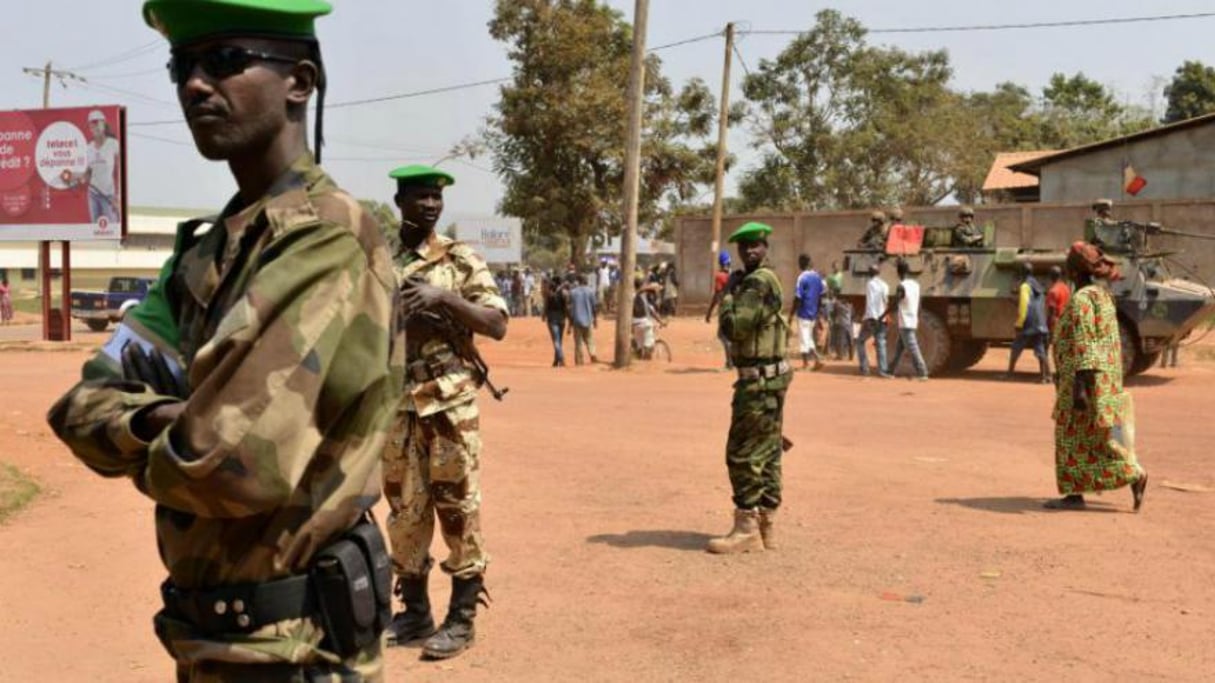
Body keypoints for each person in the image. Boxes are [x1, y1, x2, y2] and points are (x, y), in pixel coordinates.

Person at [47, 2, 402, 679]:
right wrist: (162, 416)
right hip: (212, 643)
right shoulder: (208, 252)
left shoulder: (325, 237)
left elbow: (228, 467)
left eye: (227, 61)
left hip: (297, 650)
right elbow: (79, 405)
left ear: (299, 81)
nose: (194, 85)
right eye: (183, 65)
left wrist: (161, 428)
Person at [383, 164, 509, 660]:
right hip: (396, 400)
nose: (431, 205)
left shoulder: (459, 259)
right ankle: (414, 612)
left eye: (436, 198)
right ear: (400, 203)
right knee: (405, 510)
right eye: (420, 197)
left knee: (458, 506)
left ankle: (462, 619)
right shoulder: (377, 262)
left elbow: (496, 323)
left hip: (449, 401)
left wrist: (443, 297)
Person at [707, 221, 791, 554]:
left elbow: (735, 327)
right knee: (769, 451)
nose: (750, 251)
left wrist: (728, 295)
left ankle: (746, 528)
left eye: (756, 245)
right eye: (745, 247)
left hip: (759, 382)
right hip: (770, 378)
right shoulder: (762, 280)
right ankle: (766, 525)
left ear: (765, 247)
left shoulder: (757, 283)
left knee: (741, 453)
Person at [1045, 241, 1148, 511]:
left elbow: (1085, 343)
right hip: (1103, 379)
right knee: (1098, 438)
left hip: (1083, 380)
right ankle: (1126, 475)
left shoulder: (1081, 300)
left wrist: (1080, 388)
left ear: (1074, 271)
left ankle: (1125, 475)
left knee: (1070, 438)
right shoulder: (1102, 296)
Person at [884, 259, 929, 380]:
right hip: (912, 319)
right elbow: (919, 304)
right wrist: (917, 317)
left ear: (899, 272)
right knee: (900, 347)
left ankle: (922, 372)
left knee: (912, 347)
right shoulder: (916, 285)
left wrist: (883, 314)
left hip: (905, 320)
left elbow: (896, 302)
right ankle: (890, 371)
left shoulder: (901, 286)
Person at [1006, 262, 1050, 383]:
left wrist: (1019, 324)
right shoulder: (1038, 286)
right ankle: (1046, 377)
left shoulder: (1025, 286)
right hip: (1041, 322)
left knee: (1016, 347)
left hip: (1029, 323)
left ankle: (1009, 374)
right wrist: (1015, 302)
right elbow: (1035, 304)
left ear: (1022, 273)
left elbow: (1024, 306)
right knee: (1041, 350)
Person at [79, 109, 121, 225]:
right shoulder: (89, 148)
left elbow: (120, 171)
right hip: (93, 194)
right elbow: (88, 171)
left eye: (97, 123)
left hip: (109, 195)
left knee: (112, 227)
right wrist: (81, 179)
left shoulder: (113, 144)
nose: (95, 127)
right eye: (92, 124)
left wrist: (117, 195)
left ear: (104, 124)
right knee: (95, 228)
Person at [855, 263, 891, 378]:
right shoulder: (885, 285)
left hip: (871, 317)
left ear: (870, 273)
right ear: (879, 273)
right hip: (882, 317)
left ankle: (865, 368)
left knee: (860, 341)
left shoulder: (869, 284)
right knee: (881, 343)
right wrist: (887, 315)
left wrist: (869, 317)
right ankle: (883, 371)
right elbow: (886, 301)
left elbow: (870, 302)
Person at [790, 254, 825, 371]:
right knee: (808, 337)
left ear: (802, 264)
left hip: (804, 312)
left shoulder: (802, 278)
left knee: (803, 339)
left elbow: (798, 298)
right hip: (813, 313)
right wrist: (818, 313)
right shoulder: (817, 277)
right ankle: (817, 360)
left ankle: (807, 363)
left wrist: (791, 314)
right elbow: (821, 296)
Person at [704, 250, 734, 370]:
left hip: (725, 308)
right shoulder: (732, 275)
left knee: (722, 335)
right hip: (734, 307)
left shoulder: (720, 276)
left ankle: (730, 363)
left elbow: (717, 295)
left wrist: (709, 312)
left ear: (720, 263)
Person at [568, 273, 599, 364]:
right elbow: (594, 307)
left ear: (578, 281)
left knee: (578, 343)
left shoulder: (573, 292)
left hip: (577, 320)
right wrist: (595, 320)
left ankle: (579, 360)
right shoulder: (590, 291)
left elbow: (570, 309)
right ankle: (592, 353)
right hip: (588, 319)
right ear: (585, 281)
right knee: (590, 339)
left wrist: (570, 324)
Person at [631, 277, 665, 359]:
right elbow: (652, 312)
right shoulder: (638, 295)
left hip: (635, 324)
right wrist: (661, 322)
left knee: (639, 346)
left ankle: (639, 357)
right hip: (644, 323)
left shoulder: (635, 296)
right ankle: (646, 359)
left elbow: (651, 311)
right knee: (649, 345)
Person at [1044, 265, 1070, 359]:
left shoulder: (1053, 291)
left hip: (1055, 323)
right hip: (1065, 321)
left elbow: (1051, 311)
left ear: (1050, 277)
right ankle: (1061, 371)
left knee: (1049, 348)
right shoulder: (1066, 289)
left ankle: (1046, 371)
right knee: (1062, 349)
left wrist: (1047, 327)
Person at [543, 274, 569, 367]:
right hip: (562, 318)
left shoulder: (549, 294)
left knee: (556, 341)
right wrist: (568, 319)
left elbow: (545, 307)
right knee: (559, 341)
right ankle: (556, 360)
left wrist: (543, 315)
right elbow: (566, 308)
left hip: (552, 319)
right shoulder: (564, 293)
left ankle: (561, 359)